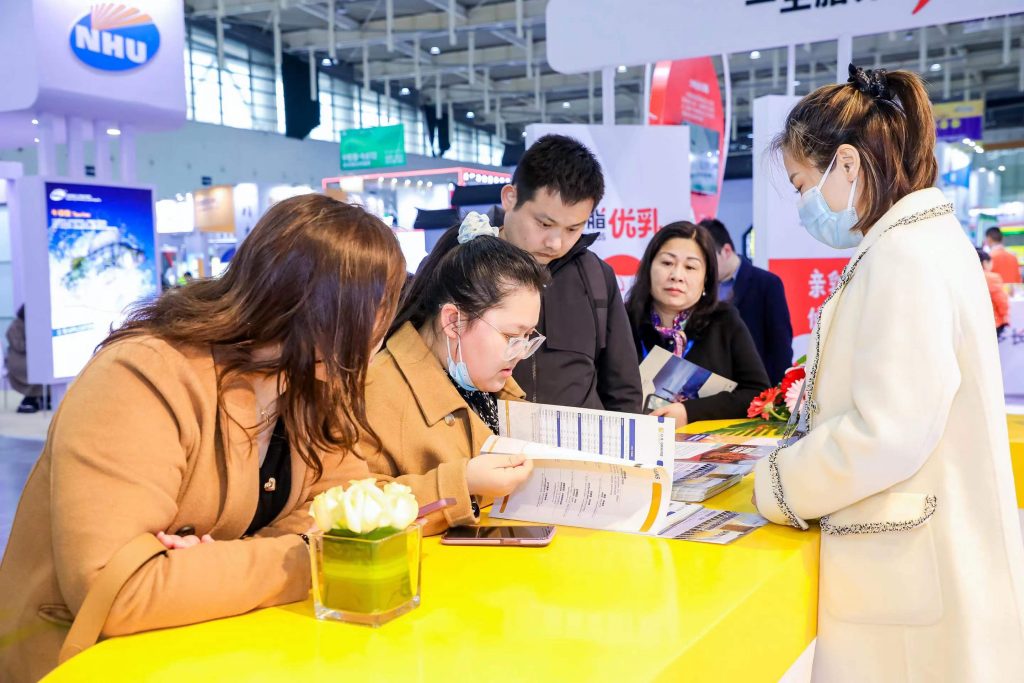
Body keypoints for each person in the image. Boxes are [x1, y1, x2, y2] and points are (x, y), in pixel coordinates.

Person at [0, 195, 467, 681]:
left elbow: (338, 507)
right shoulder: (142, 376)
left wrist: (210, 563)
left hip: (212, 649)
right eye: (379, 310)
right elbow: (118, 590)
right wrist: (308, 555)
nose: (381, 334)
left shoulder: (311, 382)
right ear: (324, 309)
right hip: (87, 661)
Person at [753, 64, 1024, 681]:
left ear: (846, 165)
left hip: (913, 572)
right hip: (929, 557)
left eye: (802, 185)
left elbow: (888, 432)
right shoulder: (919, 242)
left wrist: (777, 482)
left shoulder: (904, 256)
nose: (805, 206)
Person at [362, 213, 546, 524]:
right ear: (452, 321)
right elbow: (351, 506)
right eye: (510, 336)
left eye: (529, 336)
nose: (521, 352)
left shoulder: (484, 379)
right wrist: (463, 483)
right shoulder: (377, 389)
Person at [498, 134, 642, 413]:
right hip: (488, 439)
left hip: (583, 440)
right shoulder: (460, 265)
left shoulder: (596, 277)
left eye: (573, 229)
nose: (555, 243)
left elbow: (624, 392)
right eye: (544, 224)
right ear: (510, 198)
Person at [624, 221, 770, 426]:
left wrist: (690, 412)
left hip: (706, 443)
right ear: (648, 268)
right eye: (667, 263)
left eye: (690, 267)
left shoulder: (724, 320)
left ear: (706, 278)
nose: (677, 276)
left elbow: (758, 394)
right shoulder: (622, 320)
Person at [699, 218, 794, 385]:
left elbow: (780, 345)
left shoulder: (766, 284)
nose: (705, 269)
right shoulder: (700, 287)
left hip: (757, 385)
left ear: (726, 251)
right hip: (712, 387)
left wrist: (777, 391)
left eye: (708, 261)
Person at [4, 305, 48, 413]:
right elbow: (20, 346)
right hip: (18, 360)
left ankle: (42, 399)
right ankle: (28, 401)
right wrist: (35, 342)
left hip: (30, 358)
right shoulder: (15, 326)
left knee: (46, 368)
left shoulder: (32, 324)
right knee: (36, 370)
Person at [978, 248, 1011, 337]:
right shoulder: (992, 278)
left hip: (973, 322)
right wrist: (1005, 317)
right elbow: (1001, 300)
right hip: (993, 321)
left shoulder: (965, 278)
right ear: (985, 263)